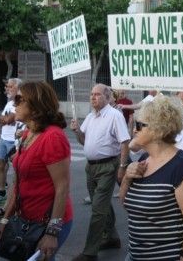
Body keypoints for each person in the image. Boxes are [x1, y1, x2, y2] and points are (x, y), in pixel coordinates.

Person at [119, 96, 183, 260]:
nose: (134, 130)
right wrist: (127, 178)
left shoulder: (181, 165)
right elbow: (126, 205)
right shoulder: (143, 159)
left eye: (139, 125)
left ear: (158, 130)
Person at [0, 81, 73, 260]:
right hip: (25, 220)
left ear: (36, 104)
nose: (14, 103)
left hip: (47, 222)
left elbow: (62, 187)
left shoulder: (53, 137)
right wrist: (5, 220)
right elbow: (18, 183)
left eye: (19, 99)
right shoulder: (28, 133)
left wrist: (52, 233)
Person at [70, 84, 131, 261]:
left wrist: (122, 166)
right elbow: (83, 141)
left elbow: (125, 142)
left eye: (97, 94)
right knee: (102, 204)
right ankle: (111, 237)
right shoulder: (90, 116)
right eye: (91, 94)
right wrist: (76, 131)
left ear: (106, 97)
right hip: (91, 167)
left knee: (98, 208)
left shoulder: (114, 115)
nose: (93, 97)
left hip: (107, 167)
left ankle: (90, 251)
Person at [0, 78, 22, 218]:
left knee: (18, 173)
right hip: (4, 138)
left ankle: (13, 203)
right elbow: (1, 120)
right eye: (7, 87)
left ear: (18, 88)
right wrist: (4, 119)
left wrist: (5, 119)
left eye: (10, 87)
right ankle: (3, 193)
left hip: (15, 141)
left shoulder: (21, 103)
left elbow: (7, 119)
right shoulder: (9, 103)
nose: (7, 89)